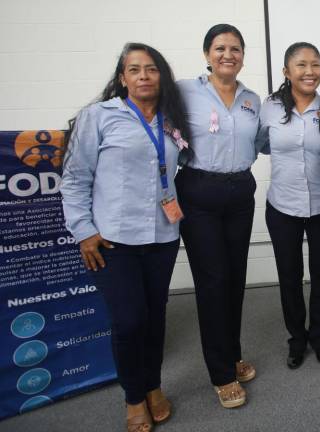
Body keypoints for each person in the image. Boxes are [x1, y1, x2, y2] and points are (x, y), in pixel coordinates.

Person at [61, 42, 189, 432]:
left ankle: (153, 386)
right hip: (113, 240)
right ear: (122, 78)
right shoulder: (99, 116)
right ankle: (134, 398)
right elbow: (75, 178)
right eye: (134, 70)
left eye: (151, 69)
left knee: (154, 316)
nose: (144, 76)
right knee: (130, 321)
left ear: (161, 75)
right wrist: (84, 231)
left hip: (162, 236)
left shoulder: (171, 121)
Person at [175, 24, 264, 408]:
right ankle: (221, 373)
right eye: (220, 48)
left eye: (235, 49)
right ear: (207, 53)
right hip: (198, 192)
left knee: (234, 278)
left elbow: (260, 141)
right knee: (212, 281)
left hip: (240, 191)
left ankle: (231, 353)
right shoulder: (183, 92)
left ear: (243, 55)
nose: (228, 55)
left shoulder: (252, 99)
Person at [257, 42, 320, 370]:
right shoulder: (269, 108)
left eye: (315, 65)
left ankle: (318, 334)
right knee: (289, 276)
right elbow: (261, 144)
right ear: (286, 72)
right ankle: (296, 338)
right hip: (283, 206)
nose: (309, 72)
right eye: (301, 65)